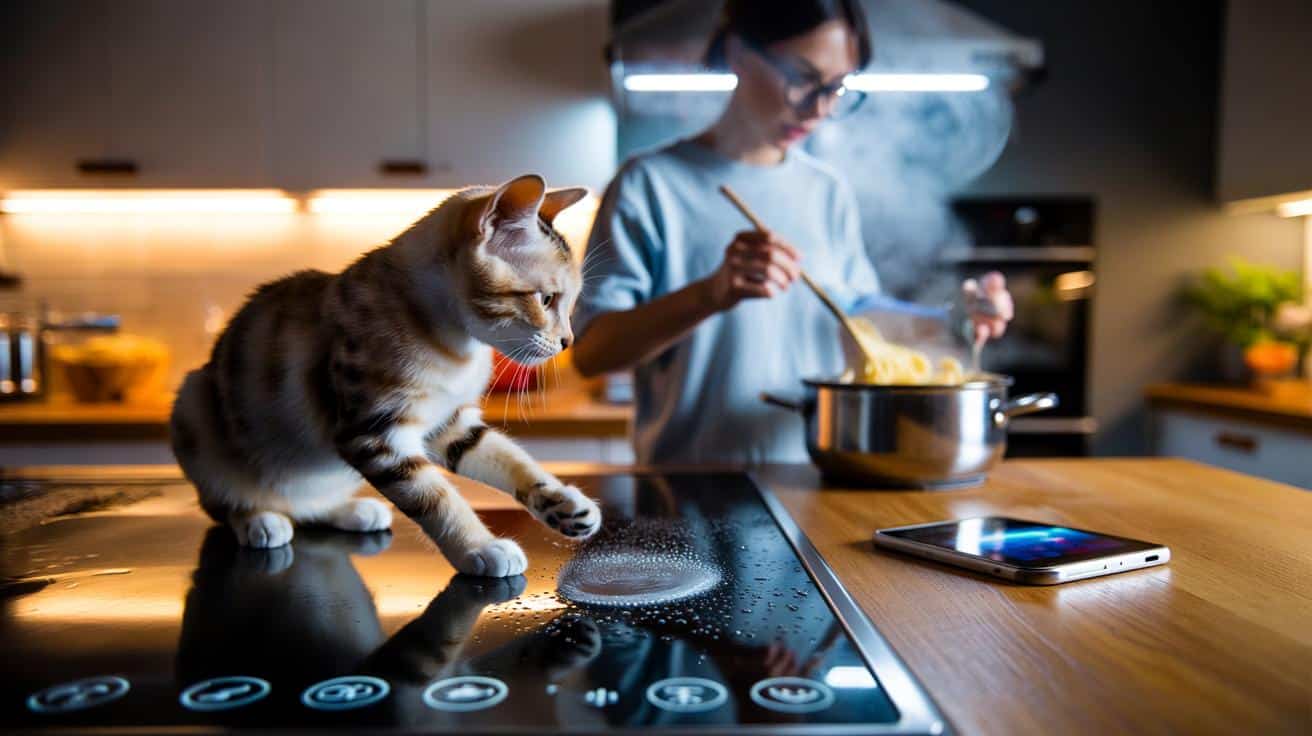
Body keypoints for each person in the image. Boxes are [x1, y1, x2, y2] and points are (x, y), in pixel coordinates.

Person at [572, 0, 1012, 464]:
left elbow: (855, 313)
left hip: (816, 475)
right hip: (688, 486)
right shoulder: (650, 185)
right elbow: (592, 353)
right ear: (740, 54)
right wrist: (711, 293)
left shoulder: (825, 190)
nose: (819, 107)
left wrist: (952, 321)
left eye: (837, 88)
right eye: (803, 77)